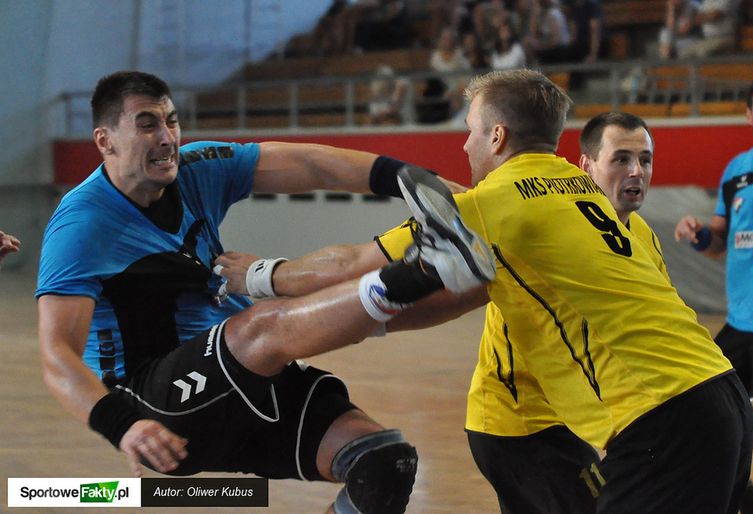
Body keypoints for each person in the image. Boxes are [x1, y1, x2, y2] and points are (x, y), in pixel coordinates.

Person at [219, 69, 753, 513]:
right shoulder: (585, 192)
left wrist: (258, 275)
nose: (464, 143)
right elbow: (457, 298)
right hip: (719, 390)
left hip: (660, 416)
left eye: (471, 129)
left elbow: (351, 263)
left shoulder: (489, 204)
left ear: (497, 136)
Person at [35, 70, 496, 514]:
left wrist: (421, 184)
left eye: (171, 121)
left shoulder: (196, 168)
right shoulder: (83, 224)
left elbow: (313, 164)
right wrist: (123, 427)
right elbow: (57, 356)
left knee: (383, 462)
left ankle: (439, 267)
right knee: (263, 324)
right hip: (156, 404)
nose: (167, 137)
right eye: (147, 124)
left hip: (241, 378)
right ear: (105, 140)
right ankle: (426, 268)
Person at [675, 74, 753, 514]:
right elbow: (719, 241)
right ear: (749, 115)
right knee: (712, 416)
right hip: (739, 321)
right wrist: (698, 235)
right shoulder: (736, 171)